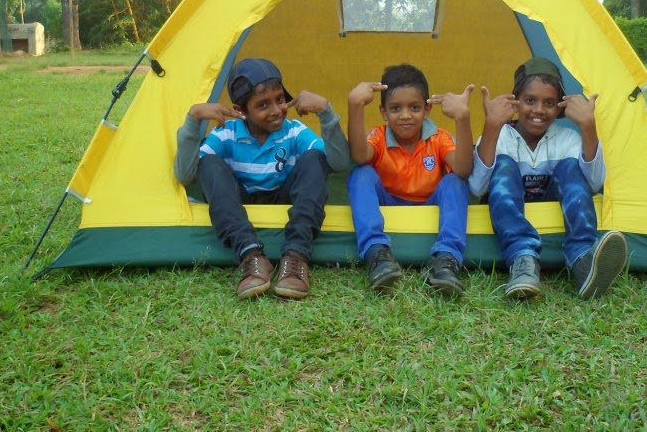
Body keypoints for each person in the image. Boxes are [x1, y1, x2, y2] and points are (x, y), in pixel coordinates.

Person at [174, 58, 350, 300]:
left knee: (315, 159)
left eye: (280, 99)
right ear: (241, 110)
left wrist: (325, 112)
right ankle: (251, 255)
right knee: (209, 164)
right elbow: (185, 174)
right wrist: (194, 119)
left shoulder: (293, 130)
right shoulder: (226, 133)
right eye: (263, 105)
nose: (276, 110)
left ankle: (296, 256)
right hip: (242, 201)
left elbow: (339, 164)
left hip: (285, 196)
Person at [468, 57, 628, 300]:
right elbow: (476, 187)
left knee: (571, 168)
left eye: (549, 103)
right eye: (530, 101)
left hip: (555, 197)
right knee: (503, 165)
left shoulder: (566, 139)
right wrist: (491, 126)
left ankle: (583, 258)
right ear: (515, 102)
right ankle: (523, 259)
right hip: (508, 214)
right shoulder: (501, 136)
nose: (539, 110)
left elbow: (594, 184)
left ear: (559, 107)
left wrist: (588, 127)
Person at [347, 63, 474, 296]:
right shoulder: (378, 136)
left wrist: (462, 118)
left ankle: (447, 259)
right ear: (384, 112)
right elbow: (359, 156)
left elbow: (464, 169)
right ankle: (377, 254)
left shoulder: (438, 138)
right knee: (361, 173)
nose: (405, 116)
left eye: (414, 107)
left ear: (427, 110)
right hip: (388, 206)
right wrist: (355, 105)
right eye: (395, 108)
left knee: (455, 181)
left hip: (429, 206)